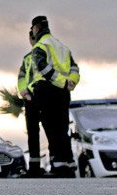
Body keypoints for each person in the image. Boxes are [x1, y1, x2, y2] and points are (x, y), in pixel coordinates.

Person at [30, 15, 79, 178]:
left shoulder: (40, 46)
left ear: (36, 28)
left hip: (47, 90)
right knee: (62, 127)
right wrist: (70, 81)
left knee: (51, 128)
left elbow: (42, 67)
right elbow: (74, 67)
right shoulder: (62, 46)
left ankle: (59, 166)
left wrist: (60, 82)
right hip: (63, 92)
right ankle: (69, 164)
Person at [17, 30, 43, 176]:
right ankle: (35, 166)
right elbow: (21, 78)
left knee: (42, 131)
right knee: (33, 133)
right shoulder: (27, 58)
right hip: (31, 98)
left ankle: (43, 164)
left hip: (40, 96)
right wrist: (25, 93)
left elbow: (21, 77)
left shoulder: (39, 54)